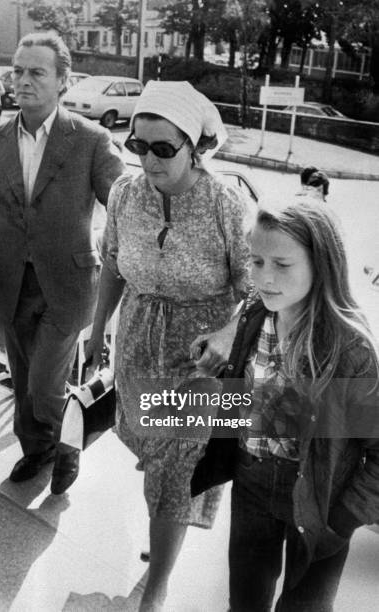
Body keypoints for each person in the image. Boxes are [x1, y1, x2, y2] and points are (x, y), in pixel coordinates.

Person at [0, 33, 124, 495]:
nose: (22, 80)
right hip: (13, 282)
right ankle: (37, 451)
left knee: (43, 380)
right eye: (17, 70)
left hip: (71, 283)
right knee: (23, 382)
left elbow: (124, 211)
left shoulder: (92, 141)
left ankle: (69, 444)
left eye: (36, 72)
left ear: (63, 81)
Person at [85, 80, 251, 611]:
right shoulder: (124, 194)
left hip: (201, 356)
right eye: (138, 146)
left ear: (195, 146)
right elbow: (112, 265)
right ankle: (164, 540)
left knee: (177, 467)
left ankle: (154, 593)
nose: (149, 160)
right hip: (137, 344)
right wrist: (95, 333)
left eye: (163, 148)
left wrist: (227, 334)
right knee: (157, 461)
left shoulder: (227, 201)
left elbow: (258, 290)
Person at [200, 200, 379, 611]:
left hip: (322, 499)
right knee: (245, 600)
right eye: (257, 260)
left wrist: (344, 519)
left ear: (322, 265)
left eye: (282, 264)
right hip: (253, 483)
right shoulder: (253, 316)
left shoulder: (350, 349)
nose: (264, 277)